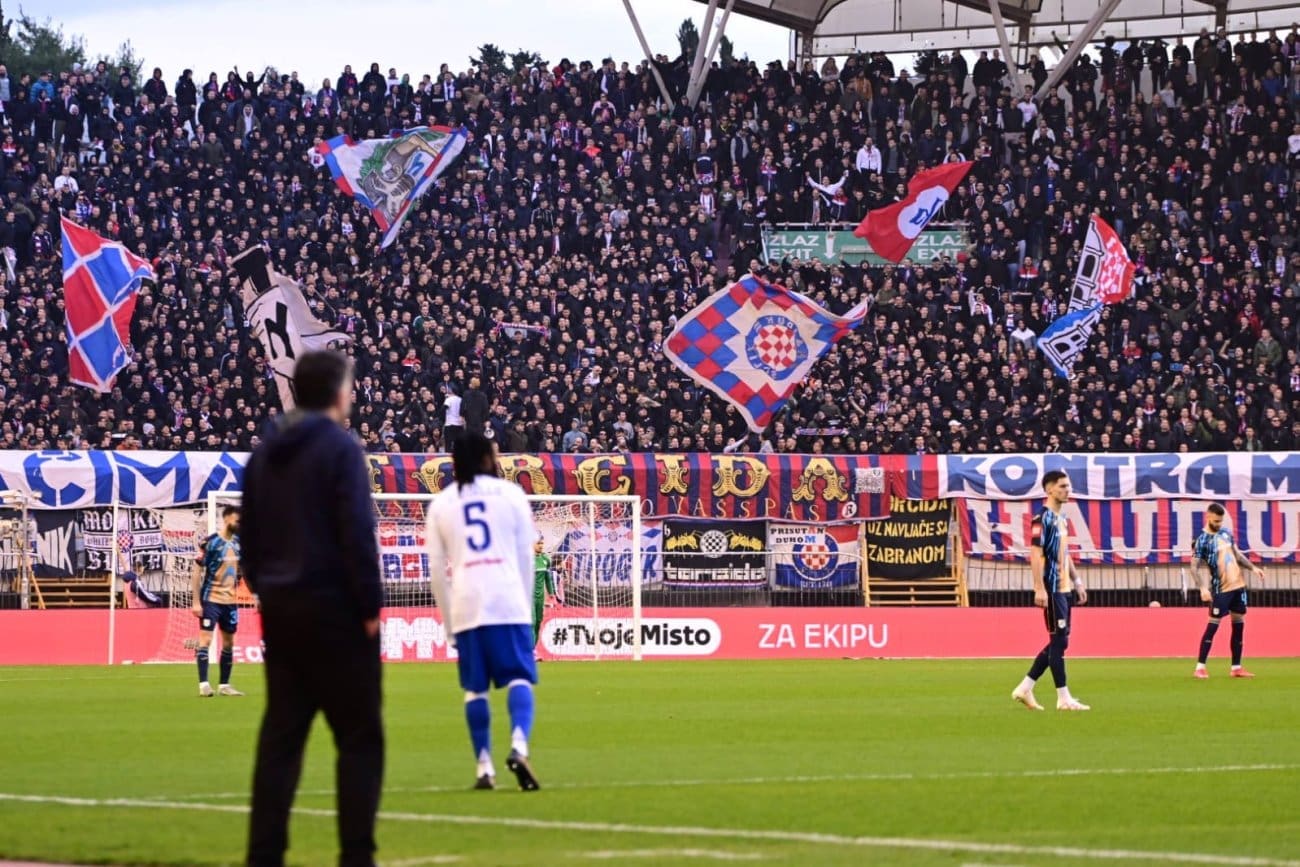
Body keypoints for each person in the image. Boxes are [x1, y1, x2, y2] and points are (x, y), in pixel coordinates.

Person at [241, 350, 384, 867]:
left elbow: (249, 541)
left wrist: (270, 590)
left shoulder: (264, 453)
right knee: (360, 739)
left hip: (283, 611)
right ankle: (356, 856)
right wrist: (370, 604)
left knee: (281, 738)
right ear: (339, 392)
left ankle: (263, 855)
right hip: (338, 614)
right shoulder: (341, 451)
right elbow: (356, 533)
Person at [427, 432, 541, 791]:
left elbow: (435, 569)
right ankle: (519, 746)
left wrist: (449, 623)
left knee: (475, 690)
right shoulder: (512, 495)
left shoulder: (442, 503)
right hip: (508, 600)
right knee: (520, 678)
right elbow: (527, 556)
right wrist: (524, 606)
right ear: (488, 458)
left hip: (467, 602)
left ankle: (483, 767)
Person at [1011, 470, 1090, 711]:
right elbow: (1035, 554)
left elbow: (1064, 554)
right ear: (1049, 489)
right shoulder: (1041, 519)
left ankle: (1025, 688)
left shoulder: (1061, 519)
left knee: (1061, 641)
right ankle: (1063, 698)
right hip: (1052, 587)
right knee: (1058, 640)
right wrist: (1039, 588)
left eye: (1068, 486)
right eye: (1063, 486)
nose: (1068, 490)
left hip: (1065, 587)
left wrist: (1077, 581)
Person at [1191, 503, 1264, 678]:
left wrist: (1253, 568)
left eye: (1220, 521)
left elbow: (1237, 555)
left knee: (1239, 626)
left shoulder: (1225, 533)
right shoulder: (1202, 540)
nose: (1218, 524)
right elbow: (1194, 567)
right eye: (1216, 521)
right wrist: (1202, 588)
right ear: (1208, 516)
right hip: (1221, 589)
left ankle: (1236, 668)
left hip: (1238, 587)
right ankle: (1200, 667)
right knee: (1213, 626)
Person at [190, 504, 244, 697]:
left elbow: (244, 570)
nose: (240, 524)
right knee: (205, 639)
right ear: (227, 518)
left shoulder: (239, 543)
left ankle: (224, 685)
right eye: (237, 521)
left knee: (229, 642)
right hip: (210, 598)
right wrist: (196, 601)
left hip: (230, 601)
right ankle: (204, 684)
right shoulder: (210, 542)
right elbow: (196, 570)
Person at [533, 537, 557, 648]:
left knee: (538, 622)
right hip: (528, 597)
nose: (541, 546)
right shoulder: (526, 559)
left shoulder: (546, 560)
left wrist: (551, 593)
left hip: (540, 597)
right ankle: (529, 651)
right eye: (538, 543)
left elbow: (547, 577)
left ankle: (533, 649)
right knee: (532, 622)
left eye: (542, 543)